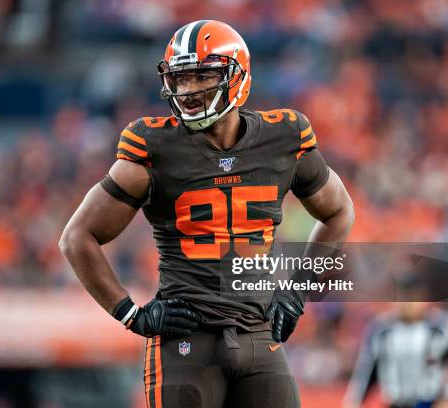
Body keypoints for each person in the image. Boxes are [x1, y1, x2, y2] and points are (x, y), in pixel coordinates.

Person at [60, 20, 354, 408]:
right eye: (180, 79)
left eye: (202, 76)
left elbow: (339, 212)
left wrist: (297, 291)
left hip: (257, 335)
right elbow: (76, 238)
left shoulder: (283, 138)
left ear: (238, 76)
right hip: (186, 341)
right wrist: (131, 313)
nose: (188, 91)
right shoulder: (154, 147)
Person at [344, 302, 448, 408]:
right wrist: (353, 402)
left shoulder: (442, 325)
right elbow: (365, 371)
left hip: (431, 401)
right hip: (396, 402)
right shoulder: (381, 328)